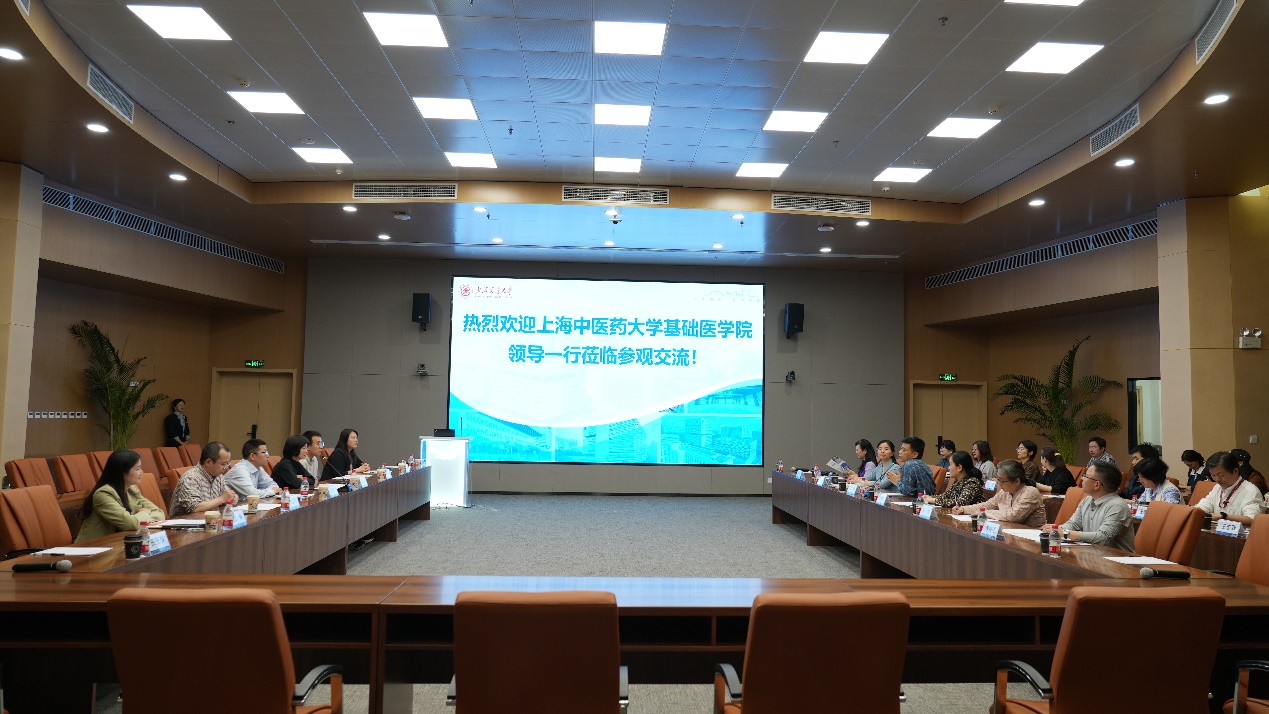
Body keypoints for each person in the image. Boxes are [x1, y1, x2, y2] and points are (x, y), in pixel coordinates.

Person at [75, 450, 165, 543]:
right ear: (122, 472)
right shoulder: (103, 494)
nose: (141, 472)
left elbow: (159, 513)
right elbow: (130, 524)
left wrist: (140, 520)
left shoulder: (131, 490)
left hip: (118, 542)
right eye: (137, 469)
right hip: (94, 546)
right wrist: (145, 513)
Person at [1057, 461, 1135, 552]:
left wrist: (1066, 533)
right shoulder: (1087, 500)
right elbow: (1073, 524)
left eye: (1085, 476)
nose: (1082, 479)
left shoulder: (1117, 506)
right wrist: (1055, 530)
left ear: (1097, 484)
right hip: (1091, 554)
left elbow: (1103, 538)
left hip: (1116, 558)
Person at [952, 460, 1045, 527]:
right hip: (1009, 532)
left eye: (1002, 480)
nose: (999, 484)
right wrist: (964, 509)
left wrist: (983, 513)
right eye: (998, 480)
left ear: (1017, 481)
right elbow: (987, 505)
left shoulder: (1030, 492)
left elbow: (1013, 516)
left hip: (1031, 538)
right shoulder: (1004, 492)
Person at [1192, 451, 1265, 526]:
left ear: (1235, 471)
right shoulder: (1217, 487)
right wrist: (1194, 511)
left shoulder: (1250, 491)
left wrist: (1223, 516)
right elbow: (1205, 504)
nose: (1217, 479)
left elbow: (1253, 519)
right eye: (1213, 475)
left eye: (1220, 475)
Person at [169, 441, 236, 518]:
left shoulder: (219, 477)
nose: (226, 468)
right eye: (223, 464)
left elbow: (226, 495)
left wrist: (232, 497)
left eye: (227, 464)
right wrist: (222, 499)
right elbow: (195, 508)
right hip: (184, 523)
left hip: (209, 520)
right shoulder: (191, 478)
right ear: (208, 462)